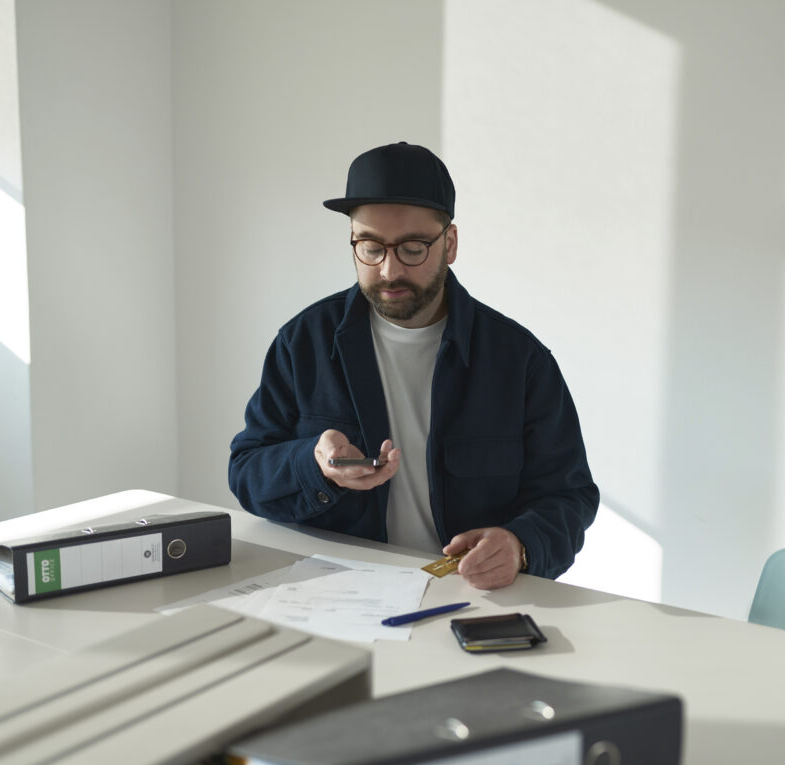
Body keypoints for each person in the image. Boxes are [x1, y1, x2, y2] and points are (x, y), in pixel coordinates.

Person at [228, 142, 598, 589]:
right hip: (338, 592)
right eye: (370, 246)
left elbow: (568, 494)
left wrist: (520, 545)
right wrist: (313, 463)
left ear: (450, 243)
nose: (388, 270)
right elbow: (246, 471)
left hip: (469, 595)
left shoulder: (519, 360)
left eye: (412, 248)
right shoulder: (303, 342)